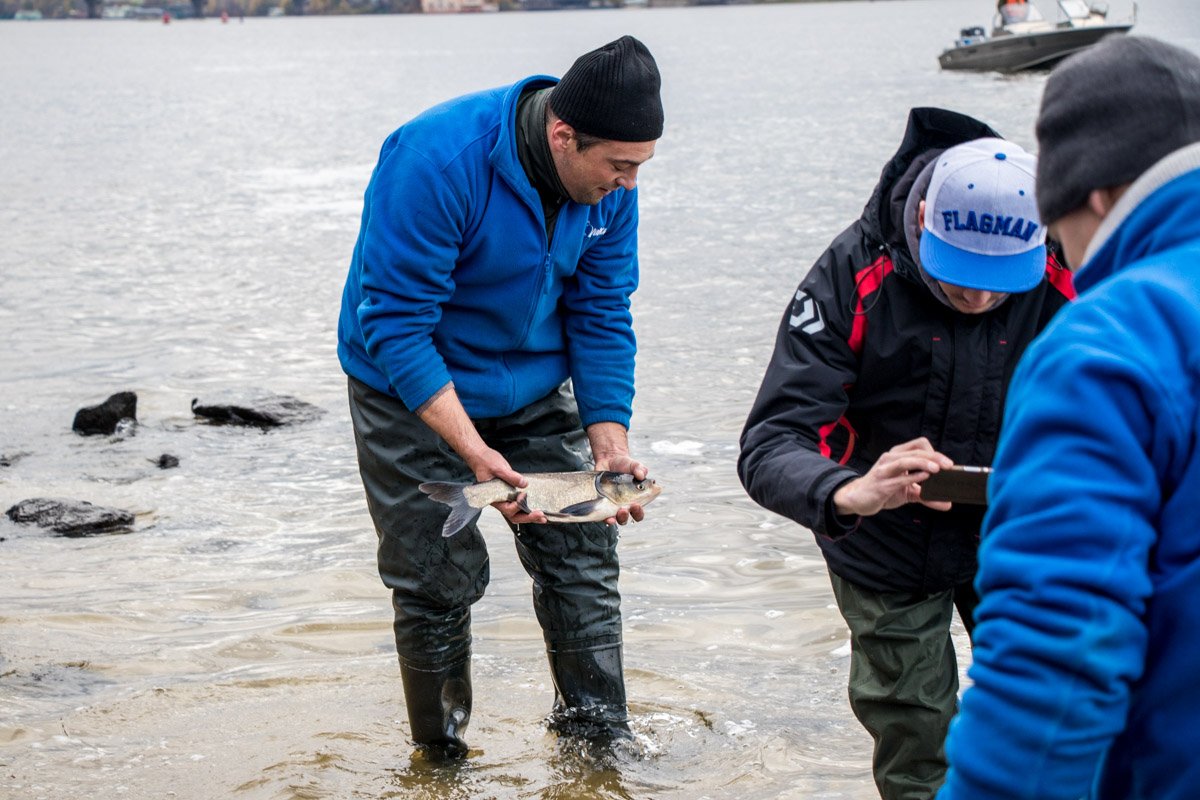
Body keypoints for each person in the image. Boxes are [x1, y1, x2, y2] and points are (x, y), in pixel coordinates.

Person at [337, 35, 663, 758]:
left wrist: (610, 447)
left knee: (582, 554)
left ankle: (597, 748)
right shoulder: (436, 160)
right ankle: (441, 757)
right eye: (618, 166)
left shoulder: (610, 186)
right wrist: (472, 451)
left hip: (533, 380)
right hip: (409, 384)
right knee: (436, 577)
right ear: (562, 135)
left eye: (641, 167)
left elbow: (603, 310)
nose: (630, 185)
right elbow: (394, 322)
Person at [738, 107, 1074, 800]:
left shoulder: (1071, 260)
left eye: (1000, 284)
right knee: (920, 741)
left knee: (1056, 721)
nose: (980, 298)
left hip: (1026, 529)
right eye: (959, 279)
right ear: (923, 222)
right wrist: (847, 492)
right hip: (884, 543)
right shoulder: (850, 272)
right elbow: (772, 441)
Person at [937, 36, 1200, 800]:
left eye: (1056, 236)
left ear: (1092, 196)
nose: (1071, 266)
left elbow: (1060, 658)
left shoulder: (1111, 341)